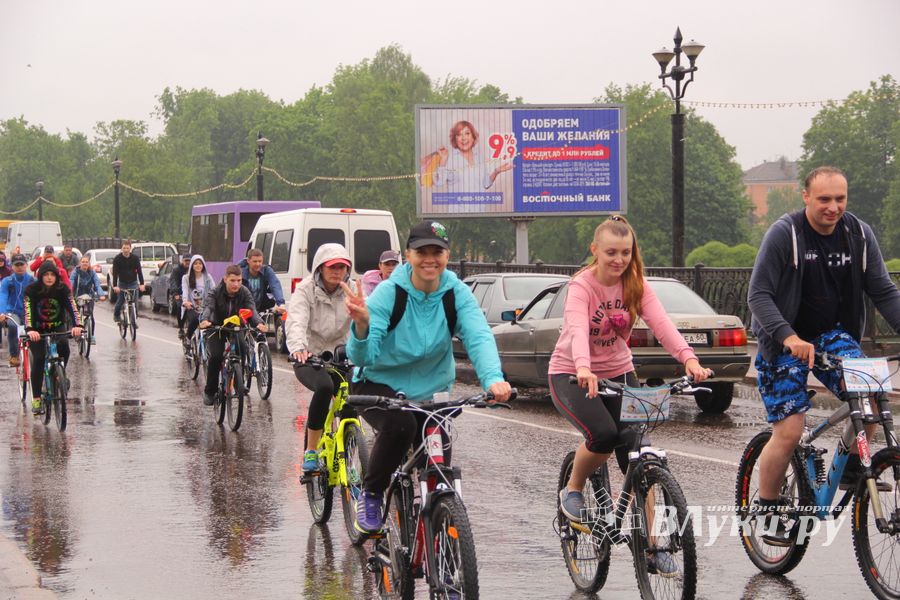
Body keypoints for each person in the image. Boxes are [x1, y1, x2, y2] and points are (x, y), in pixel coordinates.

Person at [549, 216, 711, 576]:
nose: (618, 259)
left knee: (643, 456)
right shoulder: (582, 286)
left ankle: (655, 547)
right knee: (603, 436)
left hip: (621, 373)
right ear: (595, 251)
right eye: (610, 252)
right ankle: (572, 490)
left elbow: (662, 324)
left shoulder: (635, 284)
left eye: (625, 252)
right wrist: (583, 366)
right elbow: (576, 327)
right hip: (572, 373)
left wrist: (689, 359)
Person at [747, 165, 900, 545]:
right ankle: (767, 509)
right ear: (805, 197)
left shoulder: (859, 235)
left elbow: (883, 291)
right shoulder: (786, 233)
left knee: (872, 398)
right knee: (790, 429)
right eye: (824, 199)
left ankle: (852, 469)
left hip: (832, 335)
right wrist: (788, 336)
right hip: (782, 337)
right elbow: (759, 296)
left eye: (840, 199)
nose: (833, 207)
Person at [342, 220, 512, 534]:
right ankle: (372, 494)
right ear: (408, 255)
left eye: (438, 251)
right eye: (422, 251)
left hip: (431, 390)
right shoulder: (389, 293)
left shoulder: (455, 292)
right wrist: (363, 326)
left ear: (447, 256)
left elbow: (478, 335)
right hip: (379, 384)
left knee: (439, 469)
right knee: (400, 425)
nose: (430, 259)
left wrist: (493, 380)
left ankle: (440, 545)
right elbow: (362, 357)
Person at [286, 243, 358, 473]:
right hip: (310, 355)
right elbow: (296, 319)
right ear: (320, 268)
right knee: (325, 387)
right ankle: (311, 451)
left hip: (343, 354)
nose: (337, 271)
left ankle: (350, 454)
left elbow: (368, 320)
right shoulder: (305, 289)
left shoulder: (353, 288)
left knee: (355, 396)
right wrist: (299, 348)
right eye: (332, 267)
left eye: (342, 267)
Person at [199, 265, 266, 406]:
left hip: (236, 327)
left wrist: (259, 323)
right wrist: (205, 320)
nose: (236, 284)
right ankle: (210, 391)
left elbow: (251, 309)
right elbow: (208, 307)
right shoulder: (215, 291)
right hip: (216, 327)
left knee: (242, 348)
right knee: (216, 356)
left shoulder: (244, 292)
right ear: (225, 279)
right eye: (233, 280)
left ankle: (237, 381)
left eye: (239, 280)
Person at [24, 260, 81, 414]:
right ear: (41, 276)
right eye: (46, 275)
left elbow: (72, 307)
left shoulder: (62, 289)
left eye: (52, 275)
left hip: (57, 327)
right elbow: (28, 310)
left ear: (56, 276)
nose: (49, 278)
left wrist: (78, 326)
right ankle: (36, 398)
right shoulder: (31, 290)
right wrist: (30, 329)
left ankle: (59, 374)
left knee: (65, 347)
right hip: (37, 331)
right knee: (39, 358)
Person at [429, 120, 513, 192]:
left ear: (473, 137)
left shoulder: (479, 157)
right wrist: (443, 160)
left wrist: (496, 171)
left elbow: (486, 184)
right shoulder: (448, 158)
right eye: (459, 135)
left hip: (479, 210)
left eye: (467, 133)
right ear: (455, 139)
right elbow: (438, 182)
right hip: (457, 210)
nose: (463, 138)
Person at [0, 253, 35, 367]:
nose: (20, 267)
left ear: (26, 265)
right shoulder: (7, 281)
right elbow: (3, 296)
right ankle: (14, 355)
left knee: (35, 329)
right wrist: (2, 312)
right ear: (12, 267)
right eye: (17, 265)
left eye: (22, 264)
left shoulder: (32, 280)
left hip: (28, 312)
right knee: (13, 326)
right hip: (13, 312)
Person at [181, 255, 216, 352]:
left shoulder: (208, 277)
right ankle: (187, 338)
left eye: (200, 263)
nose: (198, 266)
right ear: (192, 265)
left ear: (203, 265)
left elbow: (214, 290)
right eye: (195, 263)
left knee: (212, 322)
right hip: (192, 307)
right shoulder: (186, 278)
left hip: (205, 307)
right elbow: (184, 291)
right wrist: (185, 301)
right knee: (194, 320)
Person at [239, 248, 286, 314]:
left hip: (261, 308)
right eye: (255, 261)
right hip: (244, 309)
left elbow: (275, 285)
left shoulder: (267, 270)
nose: (258, 264)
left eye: (260, 261)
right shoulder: (240, 272)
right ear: (248, 261)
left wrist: (281, 303)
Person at [111, 240, 144, 324]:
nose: (126, 250)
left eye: (127, 248)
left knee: (135, 303)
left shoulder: (135, 258)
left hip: (133, 282)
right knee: (120, 301)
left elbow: (139, 271)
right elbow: (115, 273)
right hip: (122, 283)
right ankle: (117, 315)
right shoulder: (117, 259)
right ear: (121, 249)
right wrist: (115, 286)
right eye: (124, 248)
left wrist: (142, 284)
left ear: (130, 249)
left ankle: (134, 321)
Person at [169, 254, 192, 336]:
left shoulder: (193, 269)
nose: (188, 263)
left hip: (192, 293)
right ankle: (181, 328)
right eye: (186, 261)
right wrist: (175, 293)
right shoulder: (176, 270)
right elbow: (173, 282)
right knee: (180, 307)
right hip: (180, 293)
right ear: (182, 261)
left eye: (189, 261)